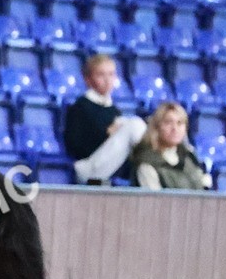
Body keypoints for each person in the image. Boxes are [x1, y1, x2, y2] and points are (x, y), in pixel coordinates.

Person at [63, 53, 147, 185]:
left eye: (111, 74)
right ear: (88, 79)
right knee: (135, 124)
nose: (107, 80)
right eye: (101, 75)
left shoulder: (113, 109)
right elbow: (74, 146)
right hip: (88, 167)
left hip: (111, 167)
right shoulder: (80, 107)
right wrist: (107, 134)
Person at [130, 102, 211, 190]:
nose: (175, 128)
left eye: (179, 123)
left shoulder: (190, 156)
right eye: (168, 122)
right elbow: (154, 201)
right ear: (157, 127)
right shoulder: (147, 163)